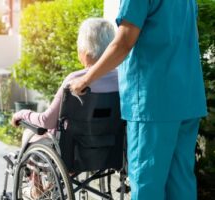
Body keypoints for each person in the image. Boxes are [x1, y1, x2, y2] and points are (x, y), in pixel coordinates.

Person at [70, 1, 207, 200]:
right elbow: (190, 37)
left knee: (147, 184)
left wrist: (85, 79)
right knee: (181, 181)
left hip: (153, 101)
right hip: (187, 97)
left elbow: (124, 42)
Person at [11, 18, 119, 199]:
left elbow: (46, 121)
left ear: (85, 50)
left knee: (29, 133)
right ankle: (49, 184)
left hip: (73, 152)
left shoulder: (76, 80)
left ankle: (37, 187)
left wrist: (22, 113)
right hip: (108, 149)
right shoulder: (121, 79)